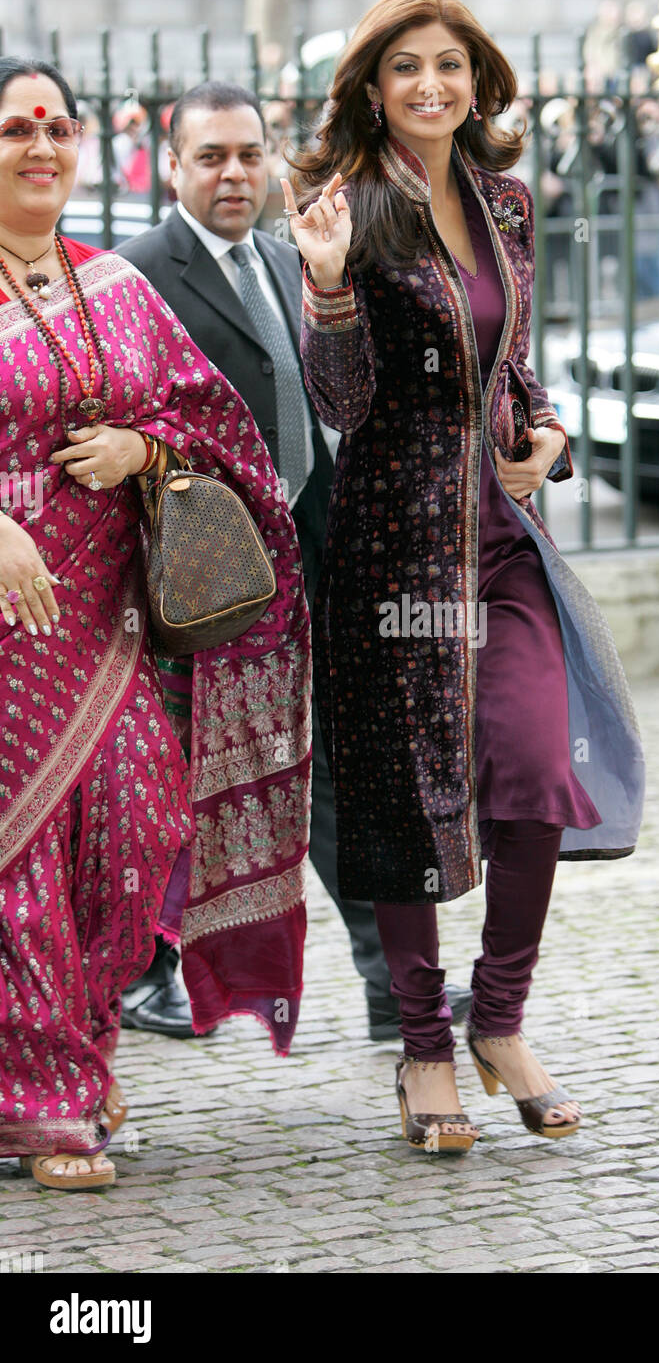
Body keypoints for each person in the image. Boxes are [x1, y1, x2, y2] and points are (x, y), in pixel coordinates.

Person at [282, 0, 645, 1154]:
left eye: (449, 66)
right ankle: (423, 1049)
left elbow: (511, 363)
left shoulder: (503, 201)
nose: (430, 86)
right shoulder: (346, 207)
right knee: (405, 797)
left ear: (475, 80)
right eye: (405, 69)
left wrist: (545, 433)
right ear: (372, 89)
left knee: (535, 770)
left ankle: (497, 1019)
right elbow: (338, 404)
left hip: (497, 535)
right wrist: (329, 283)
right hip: (392, 541)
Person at [0, 58, 312, 1189]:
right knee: (20, 861)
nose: (40, 147)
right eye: (15, 130)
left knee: (133, 838)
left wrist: (147, 449)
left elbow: (215, 426)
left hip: (106, 625)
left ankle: (74, 1049)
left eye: (58, 128)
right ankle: (44, 1095)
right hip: (3, 633)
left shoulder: (112, 287)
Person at [116, 81, 471, 1042]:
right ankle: (143, 974)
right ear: (173, 165)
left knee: (338, 778)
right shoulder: (134, 275)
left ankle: (393, 994)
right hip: (202, 584)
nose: (234, 173)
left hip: (309, 568)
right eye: (210, 157)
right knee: (179, 786)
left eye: (248, 153)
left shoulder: (288, 258)